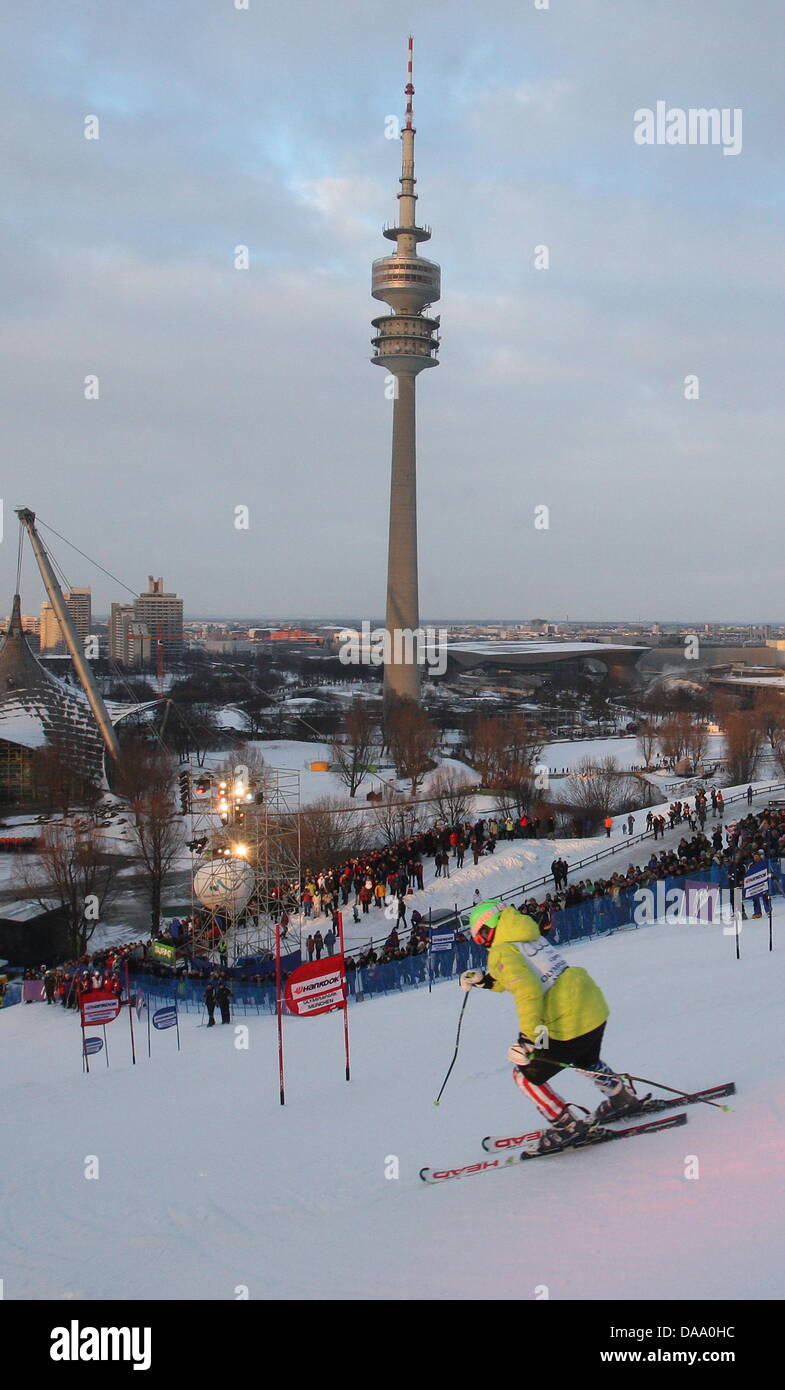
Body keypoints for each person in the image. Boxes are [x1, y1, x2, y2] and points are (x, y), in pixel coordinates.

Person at [459, 899, 639, 1155]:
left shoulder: (501, 950)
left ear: (490, 927)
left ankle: (567, 1127)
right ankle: (621, 1097)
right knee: (582, 1058)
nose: (483, 943)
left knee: (525, 1075)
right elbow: (528, 974)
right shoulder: (523, 931)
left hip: (565, 1016)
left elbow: (527, 990)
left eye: (481, 937)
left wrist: (527, 1039)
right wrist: (486, 981)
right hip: (590, 1005)